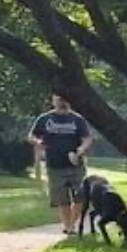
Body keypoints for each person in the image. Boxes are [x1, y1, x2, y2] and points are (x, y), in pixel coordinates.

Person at [27, 92, 94, 235]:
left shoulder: (77, 119)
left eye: (65, 99)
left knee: (80, 197)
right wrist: (38, 142)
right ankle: (68, 227)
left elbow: (87, 138)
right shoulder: (44, 119)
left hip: (76, 165)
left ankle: (71, 225)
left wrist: (80, 150)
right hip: (55, 165)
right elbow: (31, 135)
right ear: (53, 100)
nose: (62, 102)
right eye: (59, 99)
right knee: (62, 199)